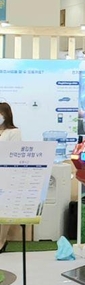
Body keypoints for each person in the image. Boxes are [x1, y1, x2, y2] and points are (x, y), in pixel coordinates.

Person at [0, 102, 22, 252]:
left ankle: (2, 241)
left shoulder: (14, 132)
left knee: (3, 210)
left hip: (6, 174)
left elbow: (15, 153)